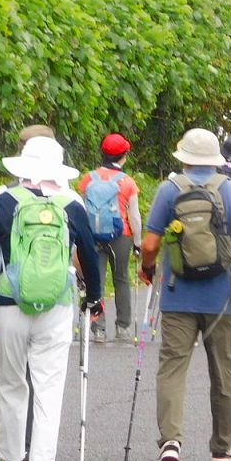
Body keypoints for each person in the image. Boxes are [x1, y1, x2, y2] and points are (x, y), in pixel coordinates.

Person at [0, 135, 101, 461]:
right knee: (48, 389)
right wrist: (93, 296)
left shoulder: (4, 201)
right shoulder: (72, 203)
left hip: (10, 302)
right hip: (57, 306)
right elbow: (89, 257)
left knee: (13, 384)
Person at [137, 128, 231, 461]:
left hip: (178, 296)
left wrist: (148, 268)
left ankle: (170, 442)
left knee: (172, 368)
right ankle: (223, 448)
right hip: (222, 298)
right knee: (222, 371)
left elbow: (150, 244)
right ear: (214, 161)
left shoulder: (169, 191)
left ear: (183, 158)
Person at [78, 133, 142, 343]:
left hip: (93, 235)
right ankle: (123, 327)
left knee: (96, 279)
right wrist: (138, 242)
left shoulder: (88, 178)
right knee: (122, 278)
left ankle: (98, 328)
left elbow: (82, 209)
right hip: (121, 235)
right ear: (124, 155)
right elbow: (134, 215)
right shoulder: (127, 182)